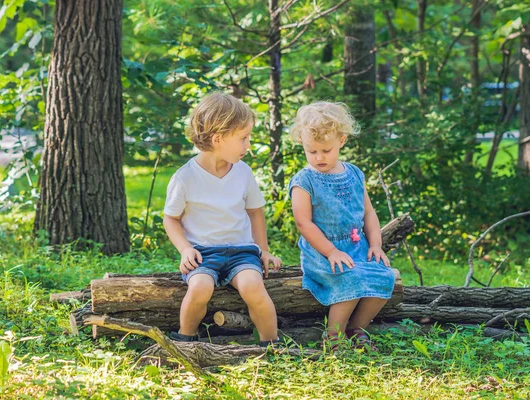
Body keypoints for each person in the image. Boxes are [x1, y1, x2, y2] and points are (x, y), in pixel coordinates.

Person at [163, 92, 282, 346]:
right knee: (199, 288)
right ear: (218, 139)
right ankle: (186, 340)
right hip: (203, 253)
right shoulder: (185, 177)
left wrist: (263, 250)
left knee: (253, 286)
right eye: (243, 138)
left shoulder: (243, 172)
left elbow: (255, 212)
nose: (248, 145)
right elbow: (170, 219)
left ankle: (272, 345)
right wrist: (185, 250)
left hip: (242, 251)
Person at [288, 101, 395, 351]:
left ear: (342, 141)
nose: (319, 157)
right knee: (352, 279)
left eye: (326, 150)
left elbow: (368, 212)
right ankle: (333, 336)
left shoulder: (355, 173)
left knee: (385, 277)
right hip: (323, 252)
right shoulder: (305, 180)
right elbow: (303, 223)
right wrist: (331, 251)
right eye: (311, 151)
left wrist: (376, 244)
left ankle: (356, 328)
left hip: (357, 247)